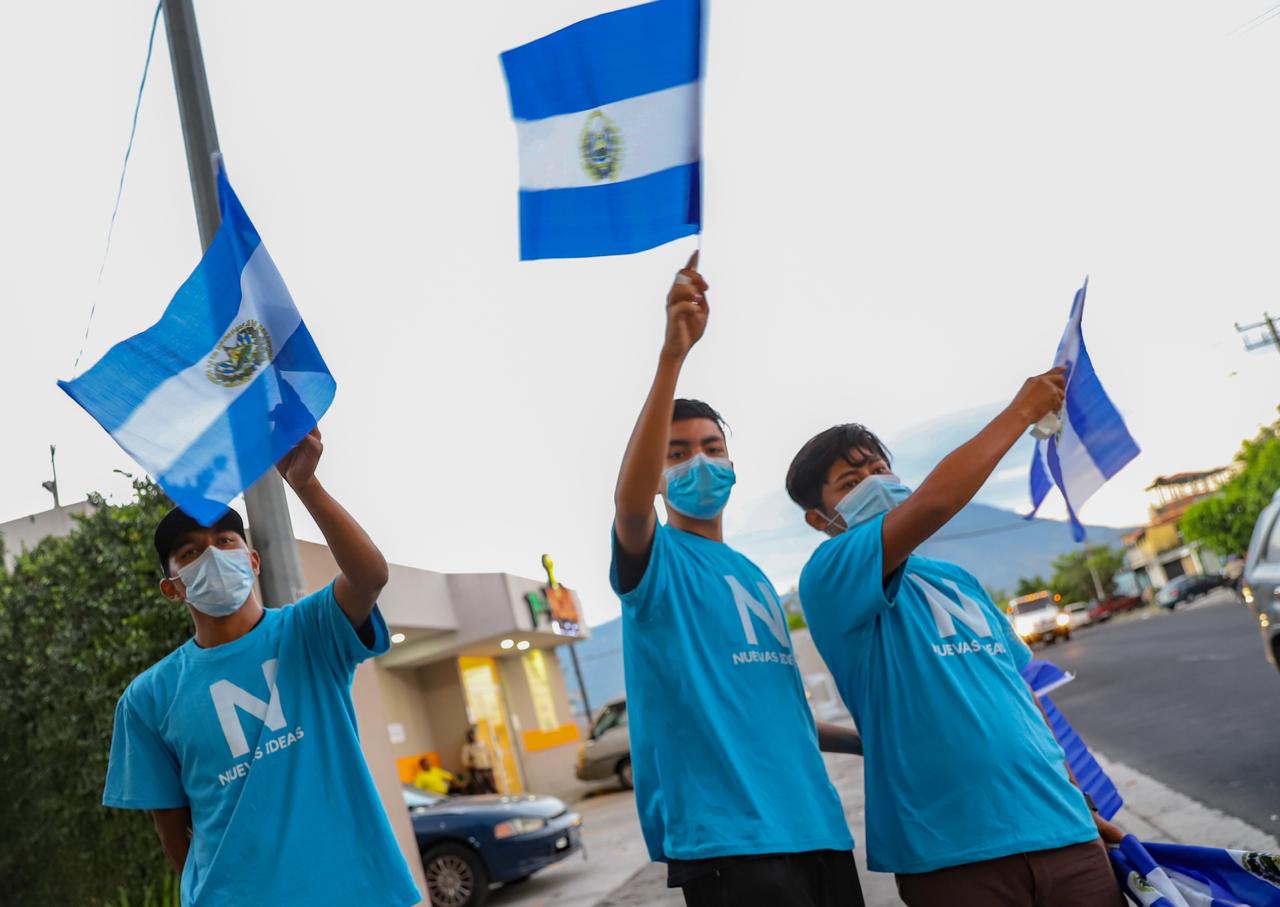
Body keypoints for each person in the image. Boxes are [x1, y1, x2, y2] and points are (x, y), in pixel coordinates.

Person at [786, 370, 1127, 907]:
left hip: (1063, 831)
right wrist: (1020, 412)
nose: (875, 483)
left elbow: (1023, 697)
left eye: (879, 469)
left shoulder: (959, 581)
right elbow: (934, 504)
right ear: (819, 519)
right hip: (952, 852)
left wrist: (1079, 801)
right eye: (851, 484)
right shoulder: (830, 574)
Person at [611, 252, 863, 907]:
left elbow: (784, 713)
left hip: (820, 829)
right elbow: (631, 507)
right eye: (677, 451)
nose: (699, 460)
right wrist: (672, 358)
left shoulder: (752, 574)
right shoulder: (655, 561)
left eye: (712, 447)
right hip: (731, 847)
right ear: (657, 470)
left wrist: (871, 740)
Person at [102, 429, 420, 907]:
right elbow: (173, 833)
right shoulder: (147, 699)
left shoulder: (310, 630)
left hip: (360, 891)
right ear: (174, 589)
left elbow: (370, 576)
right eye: (190, 552)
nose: (211, 554)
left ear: (252, 561)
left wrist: (306, 485)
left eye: (225, 540)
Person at [460, 726, 496, 794]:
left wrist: (492, 765)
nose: (476, 735)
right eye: (474, 734)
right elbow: (464, 762)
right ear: (470, 735)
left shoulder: (483, 744)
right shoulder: (467, 747)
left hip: (488, 769)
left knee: (492, 788)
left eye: (477, 733)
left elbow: (489, 755)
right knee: (482, 790)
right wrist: (474, 764)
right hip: (478, 771)